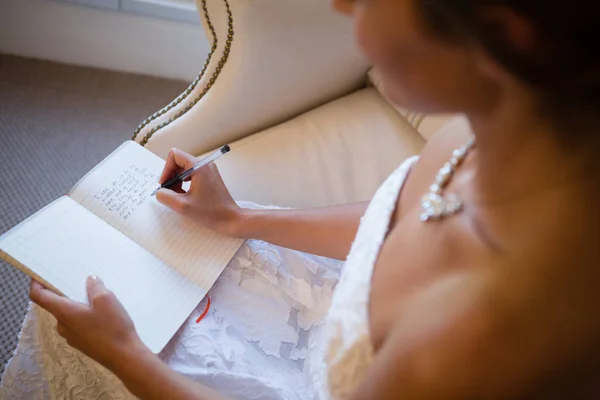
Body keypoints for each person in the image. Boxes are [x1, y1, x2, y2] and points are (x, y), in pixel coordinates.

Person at [2, 0, 600, 398]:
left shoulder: (471, 342)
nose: (342, 6)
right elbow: (396, 218)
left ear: (501, 33)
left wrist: (129, 357)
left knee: (75, 326)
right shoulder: (498, 137)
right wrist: (241, 218)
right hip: (336, 309)